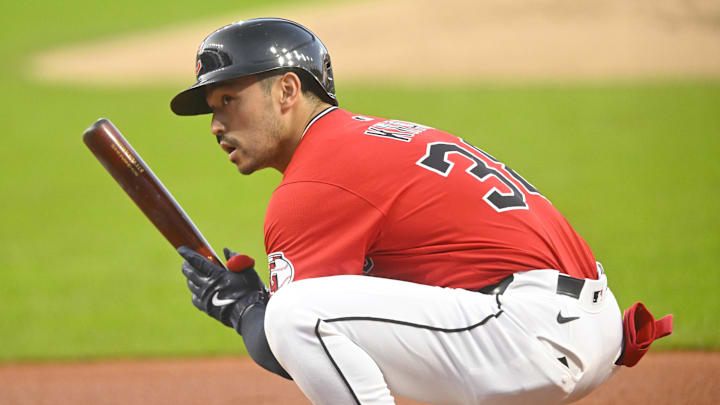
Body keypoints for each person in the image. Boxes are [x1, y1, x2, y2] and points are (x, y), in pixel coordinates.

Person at [171, 18, 672, 405]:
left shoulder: (315, 182)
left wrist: (238, 308)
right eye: (214, 108)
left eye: (229, 100)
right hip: (582, 321)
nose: (216, 124)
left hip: (529, 333)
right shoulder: (378, 138)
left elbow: (290, 345)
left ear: (286, 90)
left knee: (295, 314)